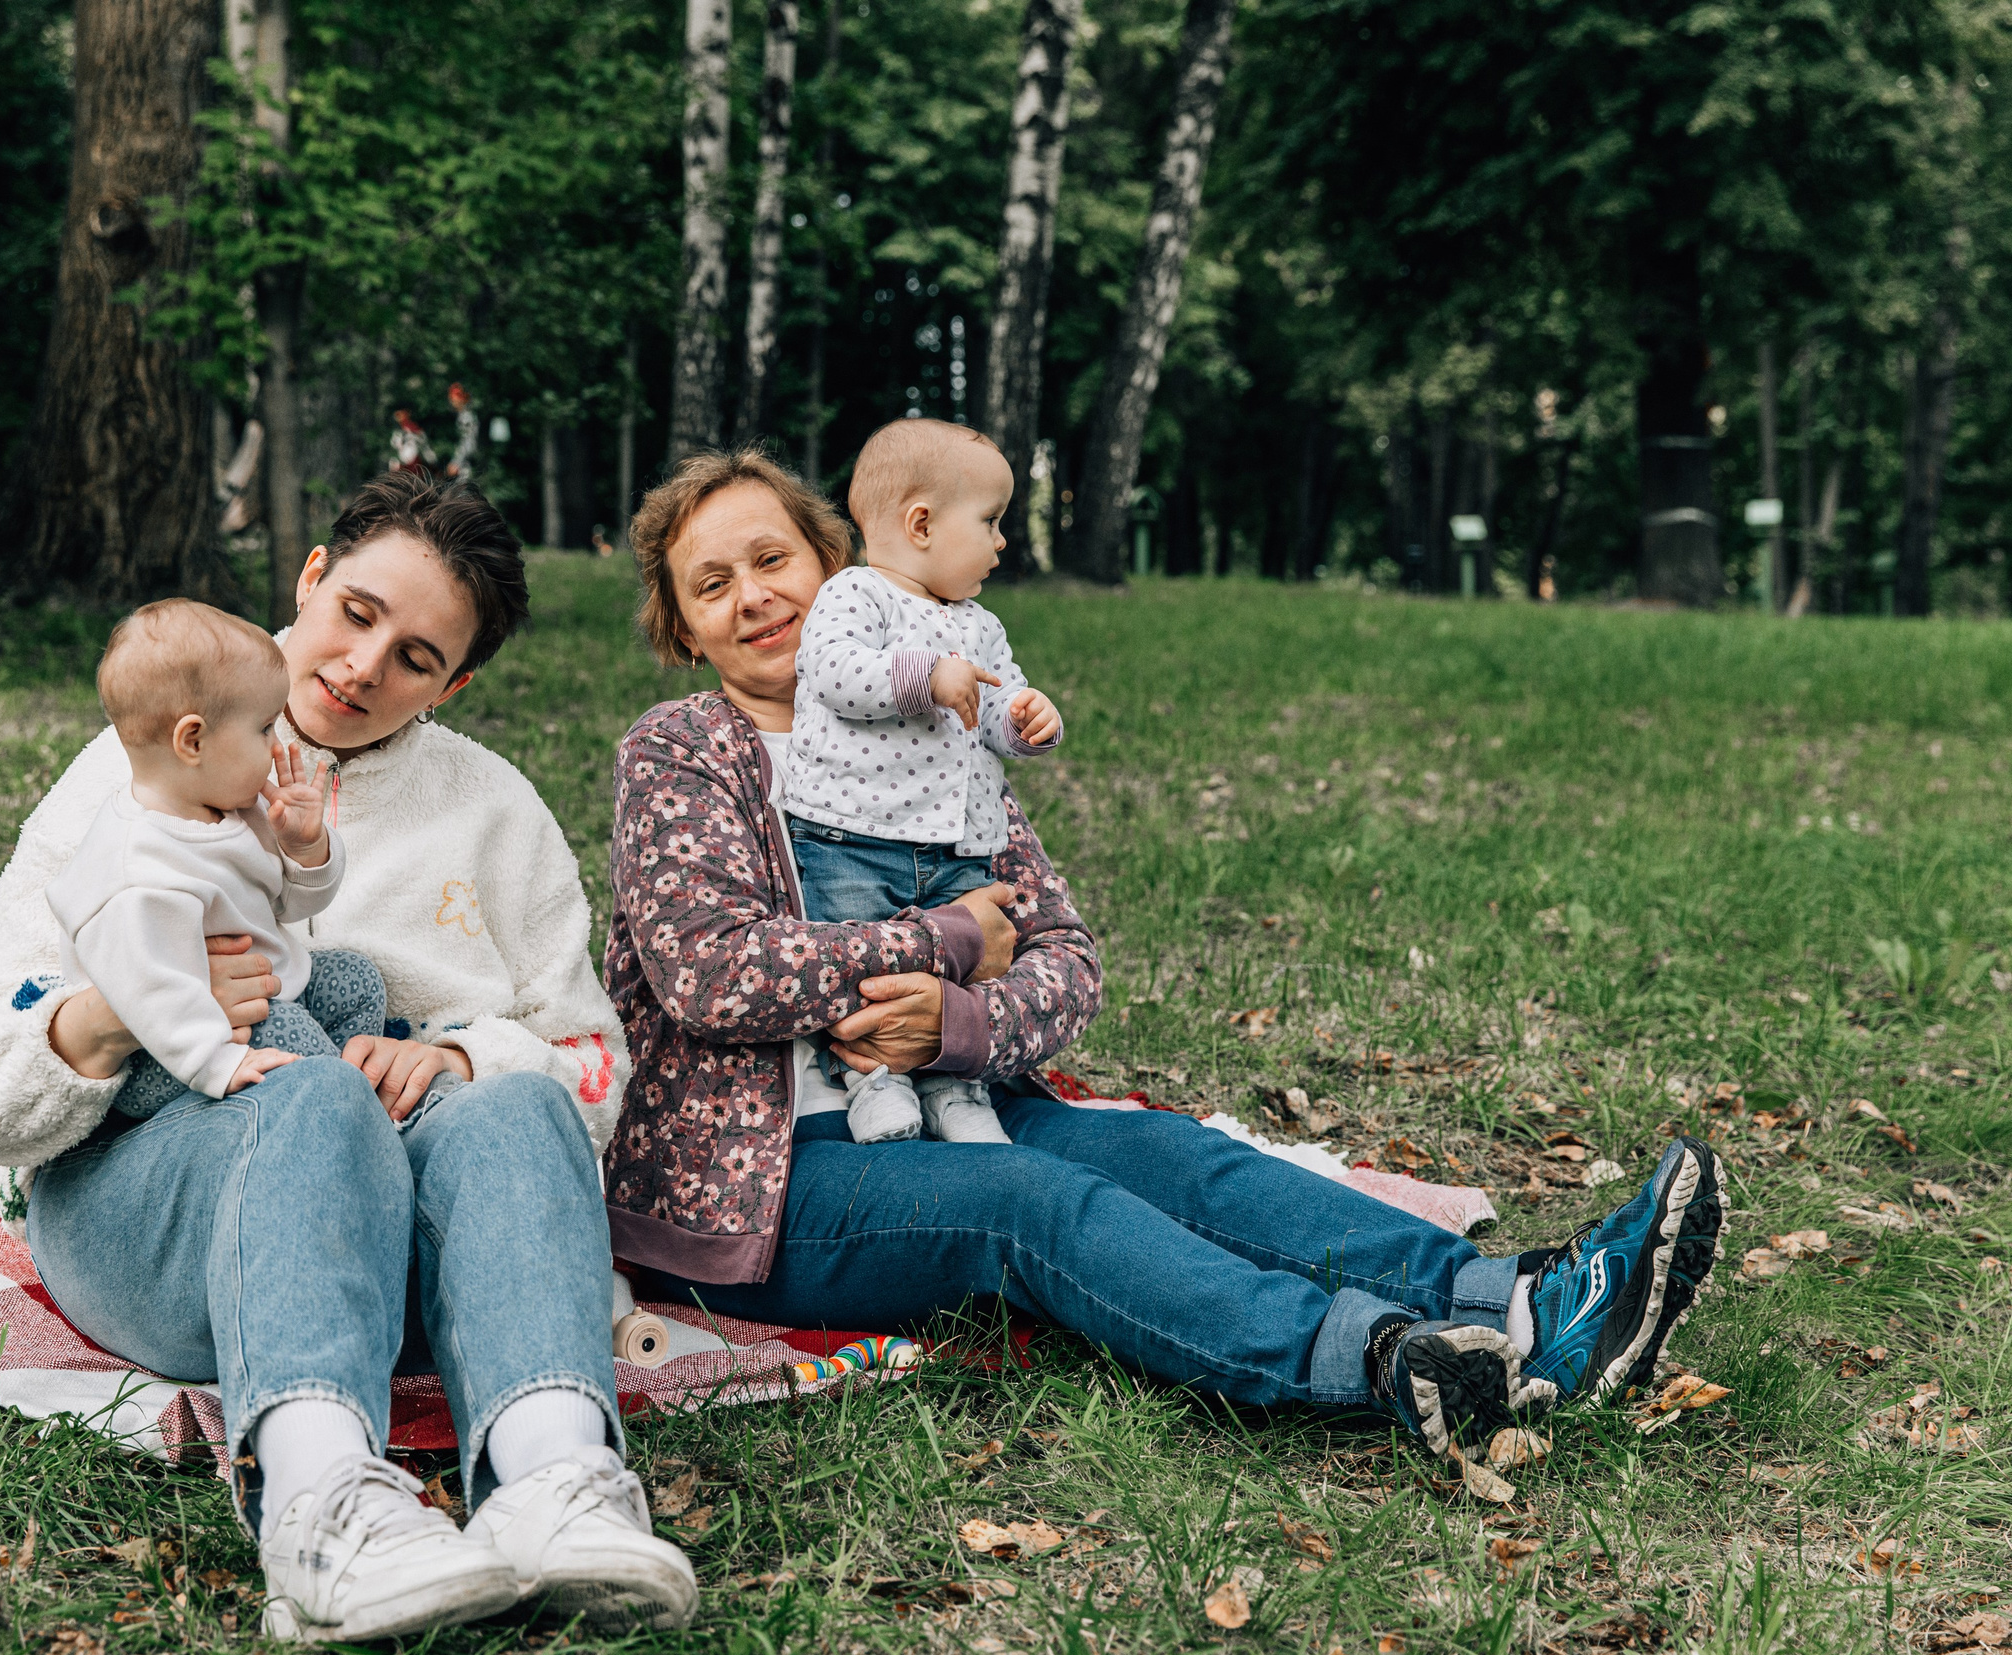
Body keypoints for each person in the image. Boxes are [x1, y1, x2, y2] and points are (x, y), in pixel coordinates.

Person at [603, 448, 1726, 1460]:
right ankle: (1386, 1360)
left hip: (959, 1095)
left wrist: (964, 1024)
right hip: (765, 1181)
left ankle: (1528, 1303)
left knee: (1177, 1161)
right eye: (713, 584)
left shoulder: (940, 734)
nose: (752, 597)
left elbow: (1062, 957)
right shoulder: (682, 751)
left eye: (771, 558)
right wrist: (947, 940)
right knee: (1027, 1200)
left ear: (833, 566)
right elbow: (713, 973)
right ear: (682, 625)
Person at [0, 471, 695, 1644]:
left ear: (456, 685)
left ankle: (554, 1481)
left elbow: (589, 1057)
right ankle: (321, 1504)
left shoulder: (495, 813)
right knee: (316, 1100)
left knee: (514, 1108)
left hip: (412, 1254)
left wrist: (461, 1057)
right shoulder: (140, 769)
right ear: (311, 578)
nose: (362, 665)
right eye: (357, 612)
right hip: (161, 1207)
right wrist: (116, 1011)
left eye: (417, 656)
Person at [781, 419, 1063, 1145]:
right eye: (992, 521)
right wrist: (926, 676)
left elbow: (994, 707)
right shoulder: (856, 593)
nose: (1002, 541)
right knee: (859, 963)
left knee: (963, 975)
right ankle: (872, 1080)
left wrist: (1027, 719)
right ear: (922, 523)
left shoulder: (981, 624)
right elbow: (836, 673)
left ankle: (957, 1090)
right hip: (853, 837)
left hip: (956, 850)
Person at [47, 599, 387, 1120]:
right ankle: (343, 1118)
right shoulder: (138, 871)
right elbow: (148, 992)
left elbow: (291, 906)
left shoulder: (232, 808)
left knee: (356, 979)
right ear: (193, 740)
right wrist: (215, 1061)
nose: (277, 747)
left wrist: (303, 848)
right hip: (169, 1053)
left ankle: (345, 1100)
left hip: (264, 998)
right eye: (264, 729)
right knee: (289, 1036)